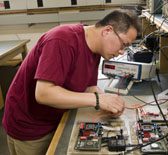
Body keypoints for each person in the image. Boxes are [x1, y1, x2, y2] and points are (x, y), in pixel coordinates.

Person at [2, 9, 140, 155]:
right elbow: (43, 93)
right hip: (30, 124)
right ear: (107, 31)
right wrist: (98, 99)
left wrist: (105, 101)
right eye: (123, 44)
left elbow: (88, 87)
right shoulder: (62, 40)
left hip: (54, 117)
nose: (122, 52)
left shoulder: (95, 47)